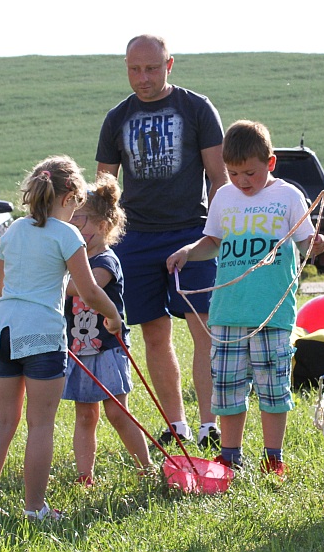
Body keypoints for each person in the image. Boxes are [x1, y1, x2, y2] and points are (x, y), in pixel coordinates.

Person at [166, 120, 324, 476]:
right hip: (227, 311)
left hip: (271, 312)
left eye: (250, 173)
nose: (242, 181)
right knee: (227, 388)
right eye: (234, 173)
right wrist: (189, 252)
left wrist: (313, 245)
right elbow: (213, 241)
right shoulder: (223, 196)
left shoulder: (287, 195)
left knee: (272, 387)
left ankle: (273, 456)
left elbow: (304, 243)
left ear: (269, 163)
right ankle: (230, 455)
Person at [96, 34, 228, 449]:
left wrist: (217, 232)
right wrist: (95, 240)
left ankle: (210, 425)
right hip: (135, 240)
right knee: (154, 334)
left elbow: (219, 177)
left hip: (192, 233)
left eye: (151, 68)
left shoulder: (197, 108)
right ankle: (178, 425)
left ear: (169, 65)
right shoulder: (117, 118)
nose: (143, 77)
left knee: (203, 329)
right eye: (135, 69)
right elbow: (105, 189)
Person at [0, 156, 124, 522]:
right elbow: (88, 291)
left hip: (4, 333)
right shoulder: (67, 234)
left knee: (2, 420)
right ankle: (35, 507)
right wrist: (113, 315)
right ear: (71, 195)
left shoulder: (10, 231)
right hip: (42, 336)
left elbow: (2, 289)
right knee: (40, 423)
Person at [62, 172, 152, 485]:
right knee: (85, 415)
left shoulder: (105, 260)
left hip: (108, 348)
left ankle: (147, 467)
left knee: (117, 413)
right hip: (79, 350)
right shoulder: (71, 261)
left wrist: (50, 281)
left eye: (80, 220)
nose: (73, 227)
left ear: (102, 225)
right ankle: (84, 476)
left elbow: (88, 289)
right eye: (70, 220)